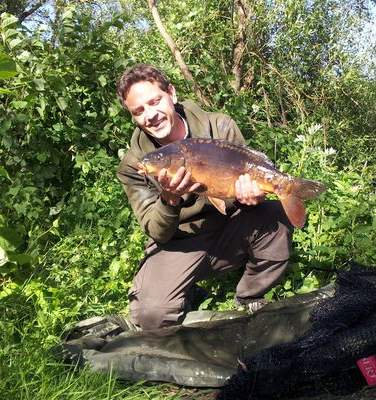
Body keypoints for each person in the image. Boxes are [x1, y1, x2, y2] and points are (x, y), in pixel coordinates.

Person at [116, 64, 293, 330]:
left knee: (274, 217)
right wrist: (170, 199)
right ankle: (185, 292)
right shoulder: (136, 163)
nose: (150, 115)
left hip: (229, 227)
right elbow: (156, 231)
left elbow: (245, 181)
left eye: (155, 101)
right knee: (150, 318)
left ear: (171, 94)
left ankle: (249, 296)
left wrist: (250, 197)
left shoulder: (219, 126)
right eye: (138, 111)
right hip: (179, 242)